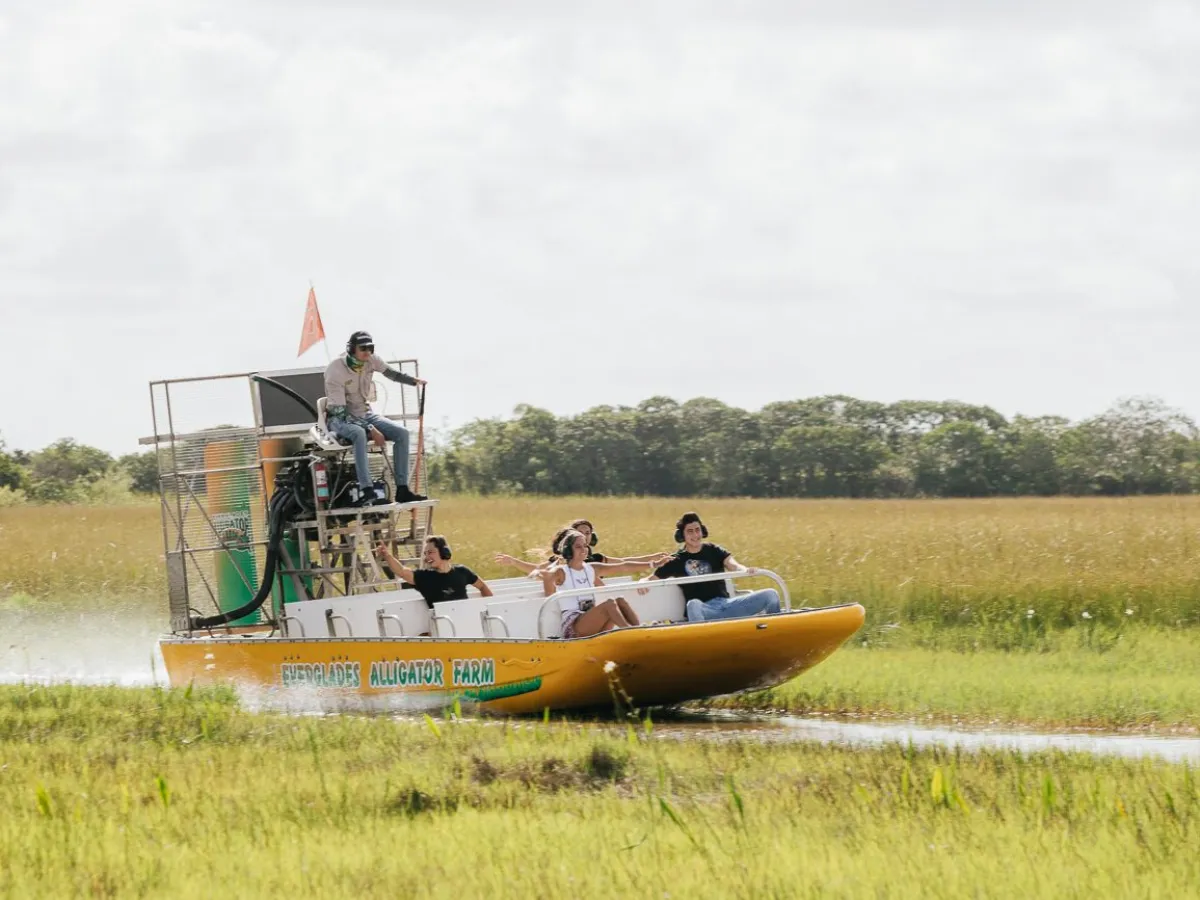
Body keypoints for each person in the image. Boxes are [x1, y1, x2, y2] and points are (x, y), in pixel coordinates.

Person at [324, 330, 427, 505]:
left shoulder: (371, 360)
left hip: (364, 413)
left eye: (370, 347)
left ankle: (402, 489)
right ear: (351, 350)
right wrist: (371, 428)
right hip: (340, 419)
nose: (367, 352)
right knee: (359, 433)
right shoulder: (336, 370)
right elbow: (341, 413)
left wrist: (413, 381)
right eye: (362, 348)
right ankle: (367, 491)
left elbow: (391, 374)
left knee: (402, 433)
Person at [644, 511, 781, 623]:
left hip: (727, 605)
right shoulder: (676, 559)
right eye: (690, 531)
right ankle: (703, 646)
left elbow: (732, 564)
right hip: (705, 610)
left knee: (771, 595)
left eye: (697, 530)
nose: (695, 535)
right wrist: (643, 583)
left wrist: (745, 570)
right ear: (682, 536)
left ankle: (774, 636)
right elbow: (653, 578)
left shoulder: (714, 549)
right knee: (693, 605)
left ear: (702, 531)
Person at [539, 530, 667, 638]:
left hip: (591, 619)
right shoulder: (561, 571)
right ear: (568, 551)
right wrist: (546, 575)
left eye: (585, 546)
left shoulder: (591, 568)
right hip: (574, 626)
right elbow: (548, 581)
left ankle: (640, 633)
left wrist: (653, 564)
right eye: (578, 546)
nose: (583, 549)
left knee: (620, 600)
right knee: (609, 604)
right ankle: (631, 634)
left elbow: (623, 566)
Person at [494, 519, 664, 576]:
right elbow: (537, 570)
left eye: (588, 533)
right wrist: (514, 562)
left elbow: (624, 563)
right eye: (580, 533)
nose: (585, 536)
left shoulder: (596, 560)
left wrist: (653, 558)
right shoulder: (561, 561)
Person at [375, 535, 494, 608]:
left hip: (464, 622)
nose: (427, 557)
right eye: (425, 554)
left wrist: (488, 609)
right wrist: (387, 555)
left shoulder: (462, 572)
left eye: (431, 552)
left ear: (444, 552)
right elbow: (401, 571)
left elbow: (482, 586)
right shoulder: (424, 577)